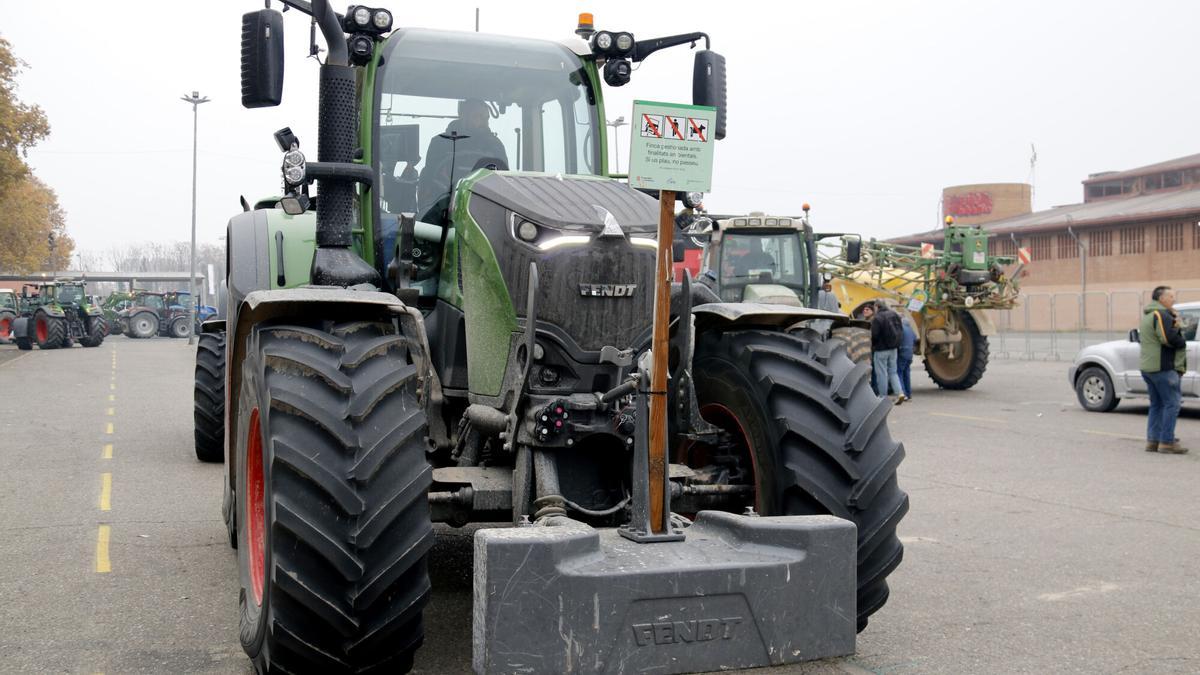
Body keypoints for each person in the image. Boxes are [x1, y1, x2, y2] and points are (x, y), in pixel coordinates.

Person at [417, 98, 508, 221]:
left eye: (486, 118)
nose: (484, 123)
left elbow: (504, 179)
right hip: (444, 204)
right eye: (478, 117)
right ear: (464, 116)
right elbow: (430, 178)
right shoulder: (440, 142)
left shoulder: (495, 145)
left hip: (485, 206)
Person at [1139, 286, 1188, 454]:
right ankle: (1167, 442)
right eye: (1171, 296)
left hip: (1149, 367)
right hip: (1163, 367)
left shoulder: (1148, 315)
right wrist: (1182, 341)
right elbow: (1167, 337)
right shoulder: (1161, 314)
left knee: (1157, 404)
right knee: (1171, 404)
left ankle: (1153, 441)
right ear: (1161, 298)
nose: (1174, 299)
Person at [869, 301, 906, 404]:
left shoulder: (877, 318)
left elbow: (874, 335)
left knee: (882, 373)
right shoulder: (894, 314)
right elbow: (901, 330)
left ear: (877, 306)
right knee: (893, 372)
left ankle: (883, 397)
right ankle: (900, 393)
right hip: (894, 349)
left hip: (881, 350)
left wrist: (873, 345)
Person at [897, 312, 916, 399]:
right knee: (906, 374)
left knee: (899, 373)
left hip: (903, 353)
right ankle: (909, 393)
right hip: (910, 354)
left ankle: (903, 394)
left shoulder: (901, 328)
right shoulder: (910, 330)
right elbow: (915, 339)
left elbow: (898, 339)